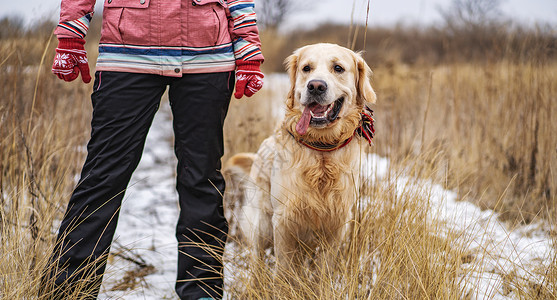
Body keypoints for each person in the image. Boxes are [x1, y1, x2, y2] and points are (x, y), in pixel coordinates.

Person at [40, 0, 264, 299]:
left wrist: (248, 46)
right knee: (102, 177)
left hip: (207, 55)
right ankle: (67, 292)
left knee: (201, 178)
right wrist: (71, 35)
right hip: (127, 51)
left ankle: (201, 292)